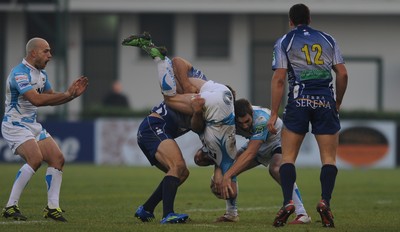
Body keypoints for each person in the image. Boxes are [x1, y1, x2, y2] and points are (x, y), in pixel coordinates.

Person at [122, 32, 239, 222]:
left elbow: (203, 138)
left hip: (156, 130)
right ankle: (168, 214)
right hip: (154, 126)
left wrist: (218, 169)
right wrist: (185, 85)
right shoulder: (202, 88)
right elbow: (178, 62)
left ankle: (146, 209)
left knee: (181, 173)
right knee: (177, 166)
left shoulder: (209, 116)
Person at [266, 4, 348, 227]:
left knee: (288, 157)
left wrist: (273, 113)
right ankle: (325, 203)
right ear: (309, 19)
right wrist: (337, 101)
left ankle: (287, 203)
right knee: (329, 159)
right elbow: (342, 73)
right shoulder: (328, 39)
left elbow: (279, 79)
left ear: (291, 21)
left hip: (298, 101)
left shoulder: (284, 41)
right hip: (325, 101)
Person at [1, 37, 89, 222]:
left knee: (58, 159)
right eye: (46, 51)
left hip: (31, 125)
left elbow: (50, 97)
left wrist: (70, 95)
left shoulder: (41, 75)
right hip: (14, 125)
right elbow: (36, 100)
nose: (50, 55)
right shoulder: (19, 73)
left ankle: (52, 208)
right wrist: (66, 95)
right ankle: (10, 206)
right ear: (33, 53)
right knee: (35, 159)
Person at [195, 98, 311, 224]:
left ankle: (302, 213)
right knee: (227, 169)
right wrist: (220, 172)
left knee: (276, 169)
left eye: (247, 121)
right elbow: (224, 151)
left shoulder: (261, 119)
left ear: (252, 114)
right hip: (256, 143)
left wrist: (227, 175)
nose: (244, 126)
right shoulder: (229, 121)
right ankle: (231, 214)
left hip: (278, 140)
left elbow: (250, 153)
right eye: (241, 123)